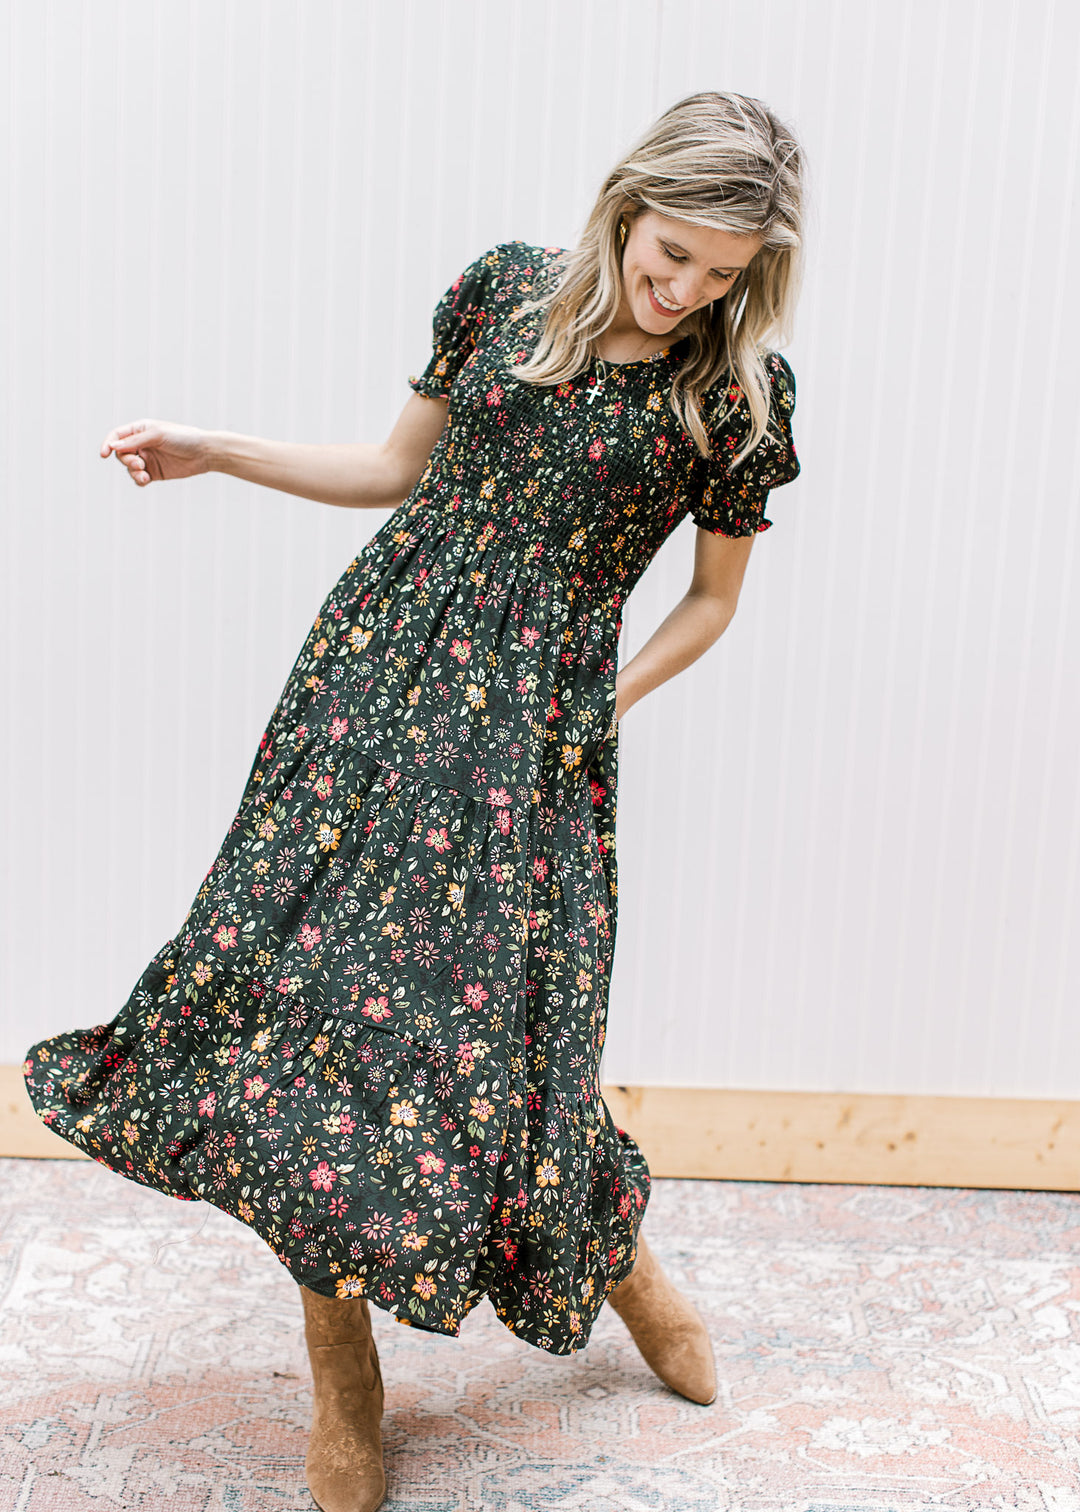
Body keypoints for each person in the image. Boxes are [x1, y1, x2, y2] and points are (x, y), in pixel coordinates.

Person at [23, 89, 804, 1512]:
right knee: (309, 1017)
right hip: (372, 691)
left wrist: (603, 701)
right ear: (627, 201)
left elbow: (709, 601)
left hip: (528, 751)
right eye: (670, 249)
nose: (680, 285)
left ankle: (631, 1276)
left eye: (718, 271)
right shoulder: (503, 293)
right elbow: (395, 473)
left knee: (506, 1048)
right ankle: (345, 1379)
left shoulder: (733, 398)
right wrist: (219, 449)